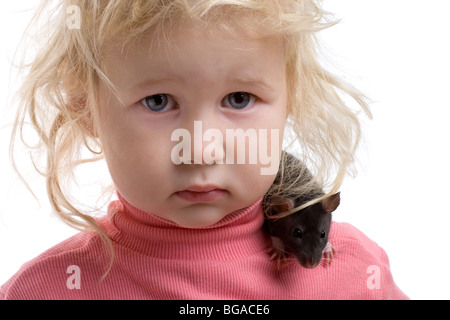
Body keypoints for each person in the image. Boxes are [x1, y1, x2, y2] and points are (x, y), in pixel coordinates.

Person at [0, 0, 407, 299]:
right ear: (83, 105)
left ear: (291, 99)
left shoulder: (356, 274)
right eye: (159, 101)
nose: (201, 151)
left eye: (239, 98)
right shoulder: (47, 291)